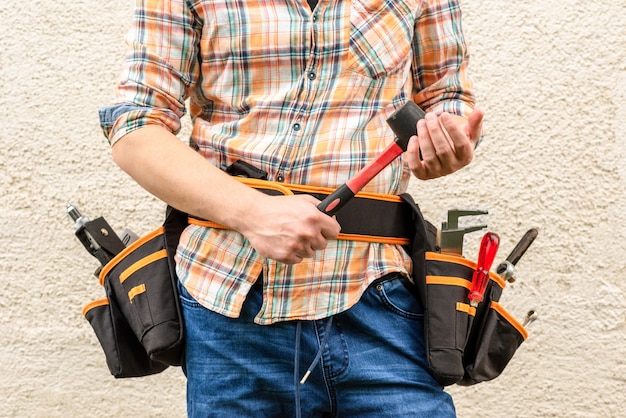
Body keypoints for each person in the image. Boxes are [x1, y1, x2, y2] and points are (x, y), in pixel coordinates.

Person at [99, 0, 483, 416]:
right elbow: (136, 126)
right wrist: (253, 213)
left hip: (379, 295)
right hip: (229, 304)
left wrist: (446, 139)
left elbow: (447, 98)